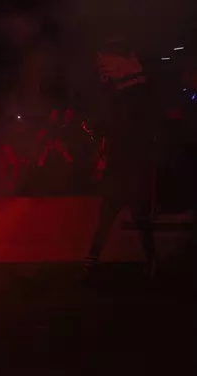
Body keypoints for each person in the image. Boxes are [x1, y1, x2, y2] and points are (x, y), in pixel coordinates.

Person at [82, 33, 158, 277]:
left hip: (126, 170)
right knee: (131, 219)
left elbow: (110, 130)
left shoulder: (125, 117)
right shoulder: (130, 115)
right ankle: (150, 263)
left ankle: (92, 262)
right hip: (126, 169)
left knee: (129, 219)